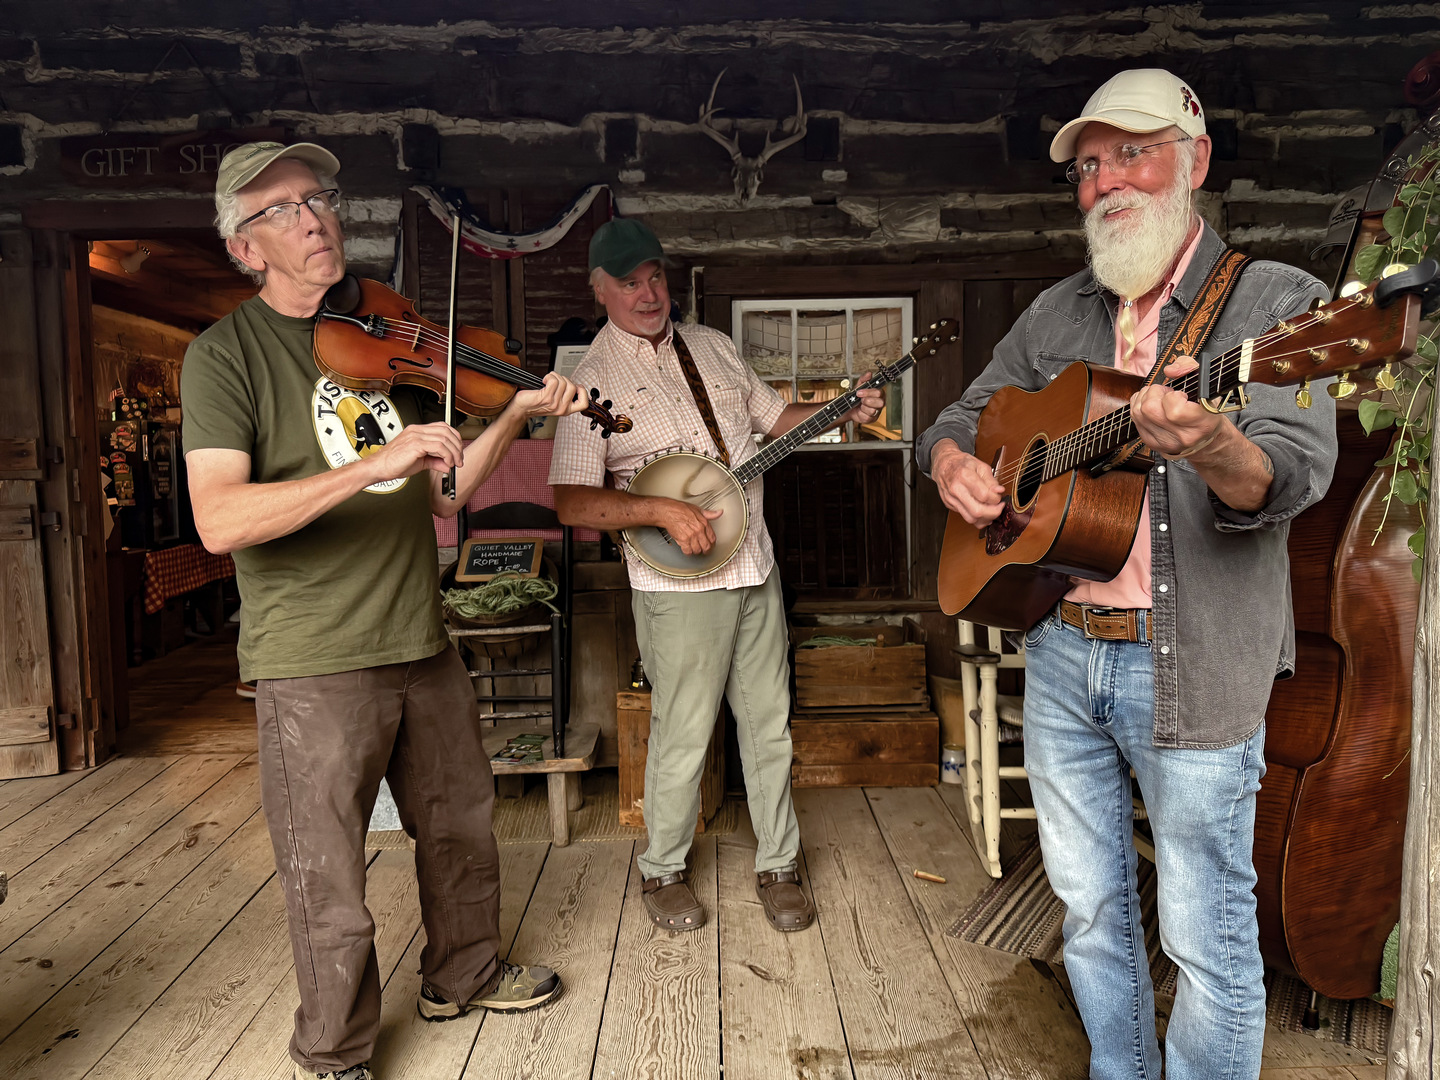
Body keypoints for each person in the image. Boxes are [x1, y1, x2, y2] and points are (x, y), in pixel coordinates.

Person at [918, 70, 1338, 1080]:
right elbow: (956, 419)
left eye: (1132, 153)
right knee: (1092, 908)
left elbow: (1291, 475)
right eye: (1089, 164)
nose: (1106, 181)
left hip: (1191, 666)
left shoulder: (1283, 306)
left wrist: (1207, 443)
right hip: (1062, 648)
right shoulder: (1057, 312)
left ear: (1194, 161)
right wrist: (954, 468)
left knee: (1205, 938)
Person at [182, 141, 586, 1080]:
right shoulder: (225, 357)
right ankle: (335, 1052)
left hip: (420, 632)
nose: (314, 217)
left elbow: (443, 494)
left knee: (459, 827)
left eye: (318, 197)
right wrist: (373, 463)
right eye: (281, 209)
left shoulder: (378, 331)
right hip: (315, 658)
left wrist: (513, 417)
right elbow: (218, 521)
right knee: (331, 878)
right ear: (246, 249)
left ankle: (465, 972)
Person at [549, 219, 882, 934]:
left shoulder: (714, 348)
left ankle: (780, 864)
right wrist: (659, 510)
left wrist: (839, 411)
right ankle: (662, 869)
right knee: (684, 730)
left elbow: (775, 420)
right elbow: (573, 499)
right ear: (601, 289)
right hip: (676, 588)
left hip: (754, 565)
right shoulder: (590, 384)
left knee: (768, 724)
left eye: (656, 277)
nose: (649, 293)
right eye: (630, 281)